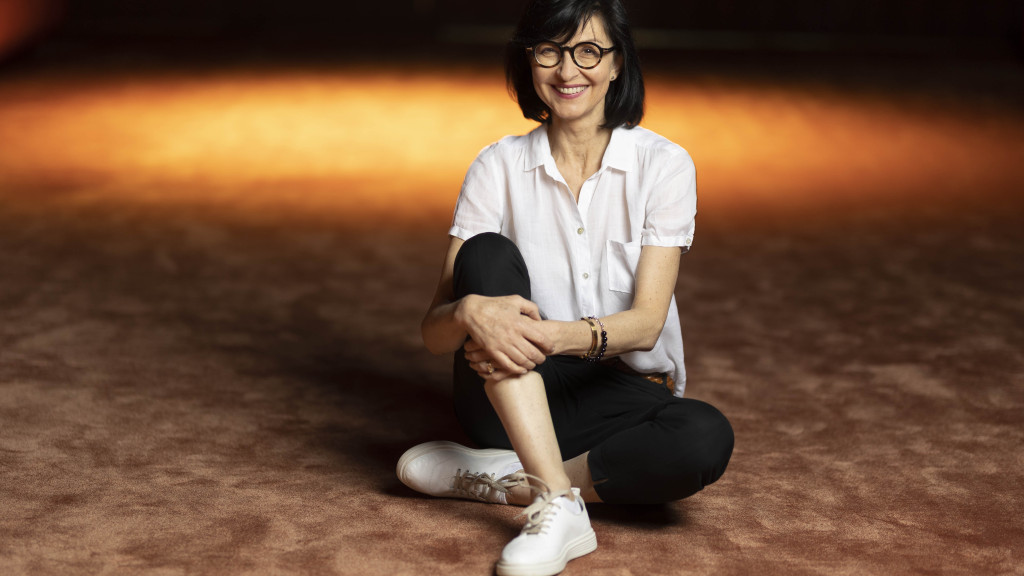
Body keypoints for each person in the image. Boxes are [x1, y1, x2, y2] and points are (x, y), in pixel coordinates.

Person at [397, 1, 734, 574]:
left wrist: (546, 336)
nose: (568, 70)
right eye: (550, 51)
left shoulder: (664, 165)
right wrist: (470, 311)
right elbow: (434, 333)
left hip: (616, 392)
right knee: (484, 253)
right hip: (506, 392)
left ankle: (505, 480)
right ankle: (555, 501)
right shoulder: (498, 165)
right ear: (529, 62)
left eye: (588, 51)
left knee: (702, 437)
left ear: (617, 63)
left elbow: (645, 325)